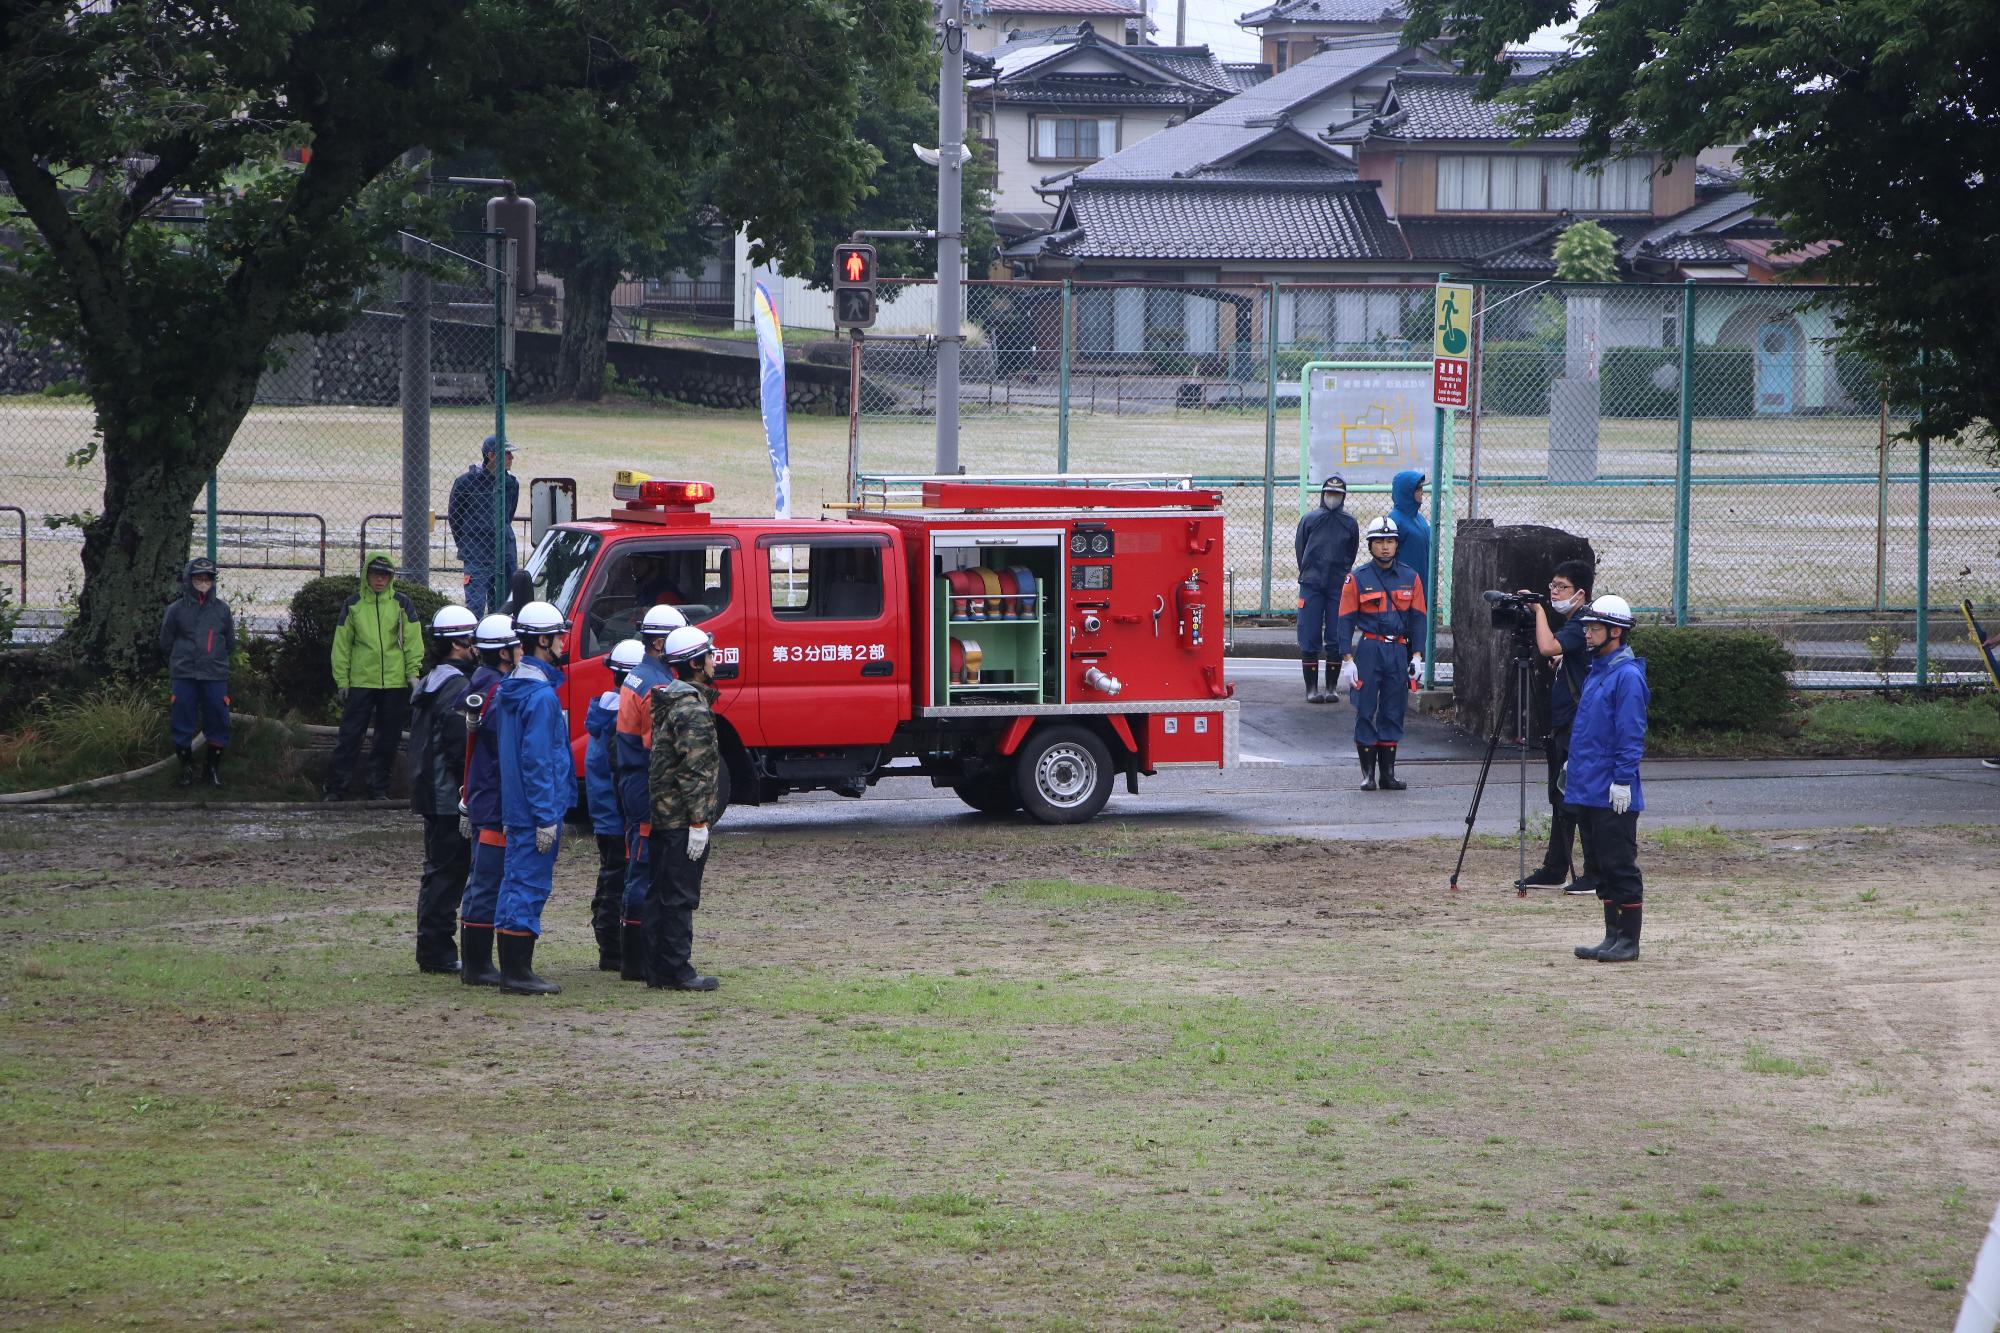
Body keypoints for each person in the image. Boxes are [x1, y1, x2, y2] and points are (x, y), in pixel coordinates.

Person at [490, 601, 572, 995]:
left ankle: (513, 968)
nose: (563, 641)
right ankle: (517, 972)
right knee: (529, 885)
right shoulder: (540, 697)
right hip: (534, 810)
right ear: (543, 640)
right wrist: (545, 816)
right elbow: (538, 761)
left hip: (516, 807)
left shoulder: (512, 689)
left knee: (514, 882)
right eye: (558, 635)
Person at [1565, 594, 1650, 963]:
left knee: (1619, 864)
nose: (1587, 633)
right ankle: (1611, 936)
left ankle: (1628, 941)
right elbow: (1589, 730)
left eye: (1595, 627)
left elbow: (1630, 735)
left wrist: (1623, 780)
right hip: (1588, 786)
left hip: (1612, 789)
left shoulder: (1627, 676)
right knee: (1599, 865)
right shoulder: (1598, 671)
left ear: (1616, 632)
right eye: (1586, 627)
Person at [647, 625, 725, 992]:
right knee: (679, 895)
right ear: (695, 663)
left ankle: (659, 966)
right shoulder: (692, 709)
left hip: (665, 815)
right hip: (681, 818)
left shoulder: (673, 700)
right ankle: (676, 969)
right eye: (709, 655)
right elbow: (694, 771)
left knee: (663, 891)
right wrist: (698, 822)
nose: (714, 660)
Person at [1514, 560, 1599, 893]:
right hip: (1565, 720)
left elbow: (1548, 646)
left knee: (1578, 795)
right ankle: (1555, 867)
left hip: (1579, 724)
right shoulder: (1574, 623)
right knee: (1560, 795)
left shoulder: (1583, 622)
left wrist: (1537, 612)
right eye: (1551, 586)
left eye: (1560, 587)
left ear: (1580, 593)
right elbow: (1562, 653)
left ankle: (1592, 872)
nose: (1553, 592)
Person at [406, 606, 480, 974]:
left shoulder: (434, 679)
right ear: (459, 642)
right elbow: (458, 748)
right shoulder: (456, 686)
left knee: (438, 870)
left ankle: (433, 947)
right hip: (448, 796)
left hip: (433, 791)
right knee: (448, 873)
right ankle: (437, 951)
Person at [614, 604, 686, 982]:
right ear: (659, 642)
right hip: (645, 783)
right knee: (643, 868)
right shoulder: (657, 687)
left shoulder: (636, 677)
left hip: (632, 780)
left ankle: (632, 959)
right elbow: (659, 746)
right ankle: (637, 962)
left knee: (637, 865)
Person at [1336, 516, 1428, 792]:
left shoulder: (1410, 577)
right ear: (1370, 545)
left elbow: (1419, 618)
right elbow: (1345, 620)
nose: (1385, 547)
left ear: (1397, 544)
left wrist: (1417, 656)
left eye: (1390, 541)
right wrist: (1347, 659)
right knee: (1365, 708)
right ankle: (1368, 775)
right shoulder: (1358, 578)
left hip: (1398, 649)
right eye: (1379, 542)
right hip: (1369, 650)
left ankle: (1388, 774)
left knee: (1393, 709)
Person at [326, 552, 423, 801]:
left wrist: (412, 674)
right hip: (361, 681)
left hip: (394, 683)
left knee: (387, 740)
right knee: (349, 736)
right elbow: (342, 646)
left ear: (390, 578)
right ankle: (336, 788)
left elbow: (413, 641)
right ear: (366, 576)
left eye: (384, 575)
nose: (379, 580)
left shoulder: (402, 604)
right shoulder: (353, 604)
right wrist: (343, 681)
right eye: (375, 575)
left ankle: (378, 788)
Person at [456, 613, 519, 987]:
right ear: (505, 653)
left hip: (482, 796)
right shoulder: (497, 694)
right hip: (494, 800)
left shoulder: (482, 686)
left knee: (481, 878)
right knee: (486, 881)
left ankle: (475, 960)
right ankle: (477, 965)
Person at [584, 638, 647, 972]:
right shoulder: (618, 721)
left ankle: (610, 945)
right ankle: (612, 949)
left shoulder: (603, 712)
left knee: (611, 878)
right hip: (617, 819)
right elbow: (621, 772)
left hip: (606, 816)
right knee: (616, 882)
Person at [158, 556, 233, 788]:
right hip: (184, 674)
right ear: (188, 580)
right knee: (182, 720)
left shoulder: (222, 610)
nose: (203, 582)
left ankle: (211, 770)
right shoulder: (175, 610)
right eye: (198, 578)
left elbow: (230, 642)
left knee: (219, 720)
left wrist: (215, 660)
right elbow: (165, 641)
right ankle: (186, 768)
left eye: (207, 578)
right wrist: (182, 659)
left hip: (215, 675)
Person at [1294, 474, 1360, 702]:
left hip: (1337, 586)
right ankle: (1311, 689)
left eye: (1337, 495)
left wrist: (1339, 575)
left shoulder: (1350, 523)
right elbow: (1300, 550)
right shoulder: (1310, 519)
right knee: (1309, 633)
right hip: (1311, 584)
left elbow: (1351, 552)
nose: (1332, 498)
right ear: (1322, 495)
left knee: (1335, 635)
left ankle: (1331, 688)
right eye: (1329, 494)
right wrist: (1310, 572)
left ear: (1343, 497)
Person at [447, 435, 520, 618]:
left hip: (505, 553)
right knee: (475, 608)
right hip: (476, 554)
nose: (512, 458)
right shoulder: (465, 483)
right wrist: (468, 543)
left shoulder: (511, 484)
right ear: (491, 455)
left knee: (504, 609)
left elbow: (508, 516)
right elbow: (455, 517)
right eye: (507, 453)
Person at [1389, 469, 1432, 594]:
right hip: (1403, 589)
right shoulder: (1394, 521)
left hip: (1423, 584)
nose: (1421, 492)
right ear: (1406, 492)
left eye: (1421, 488)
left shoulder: (1418, 517)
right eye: (1418, 489)